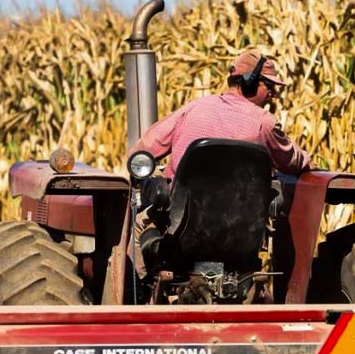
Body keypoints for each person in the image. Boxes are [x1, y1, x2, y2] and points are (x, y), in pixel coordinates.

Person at [126, 50, 314, 277]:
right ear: (249, 82)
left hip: (179, 225)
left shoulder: (193, 109)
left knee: (135, 226)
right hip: (242, 232)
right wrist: (308, 160)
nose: (273, 94)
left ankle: (142, 297)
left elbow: (142, 149)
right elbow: (291, 160)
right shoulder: (263, 123)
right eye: (269, 86)